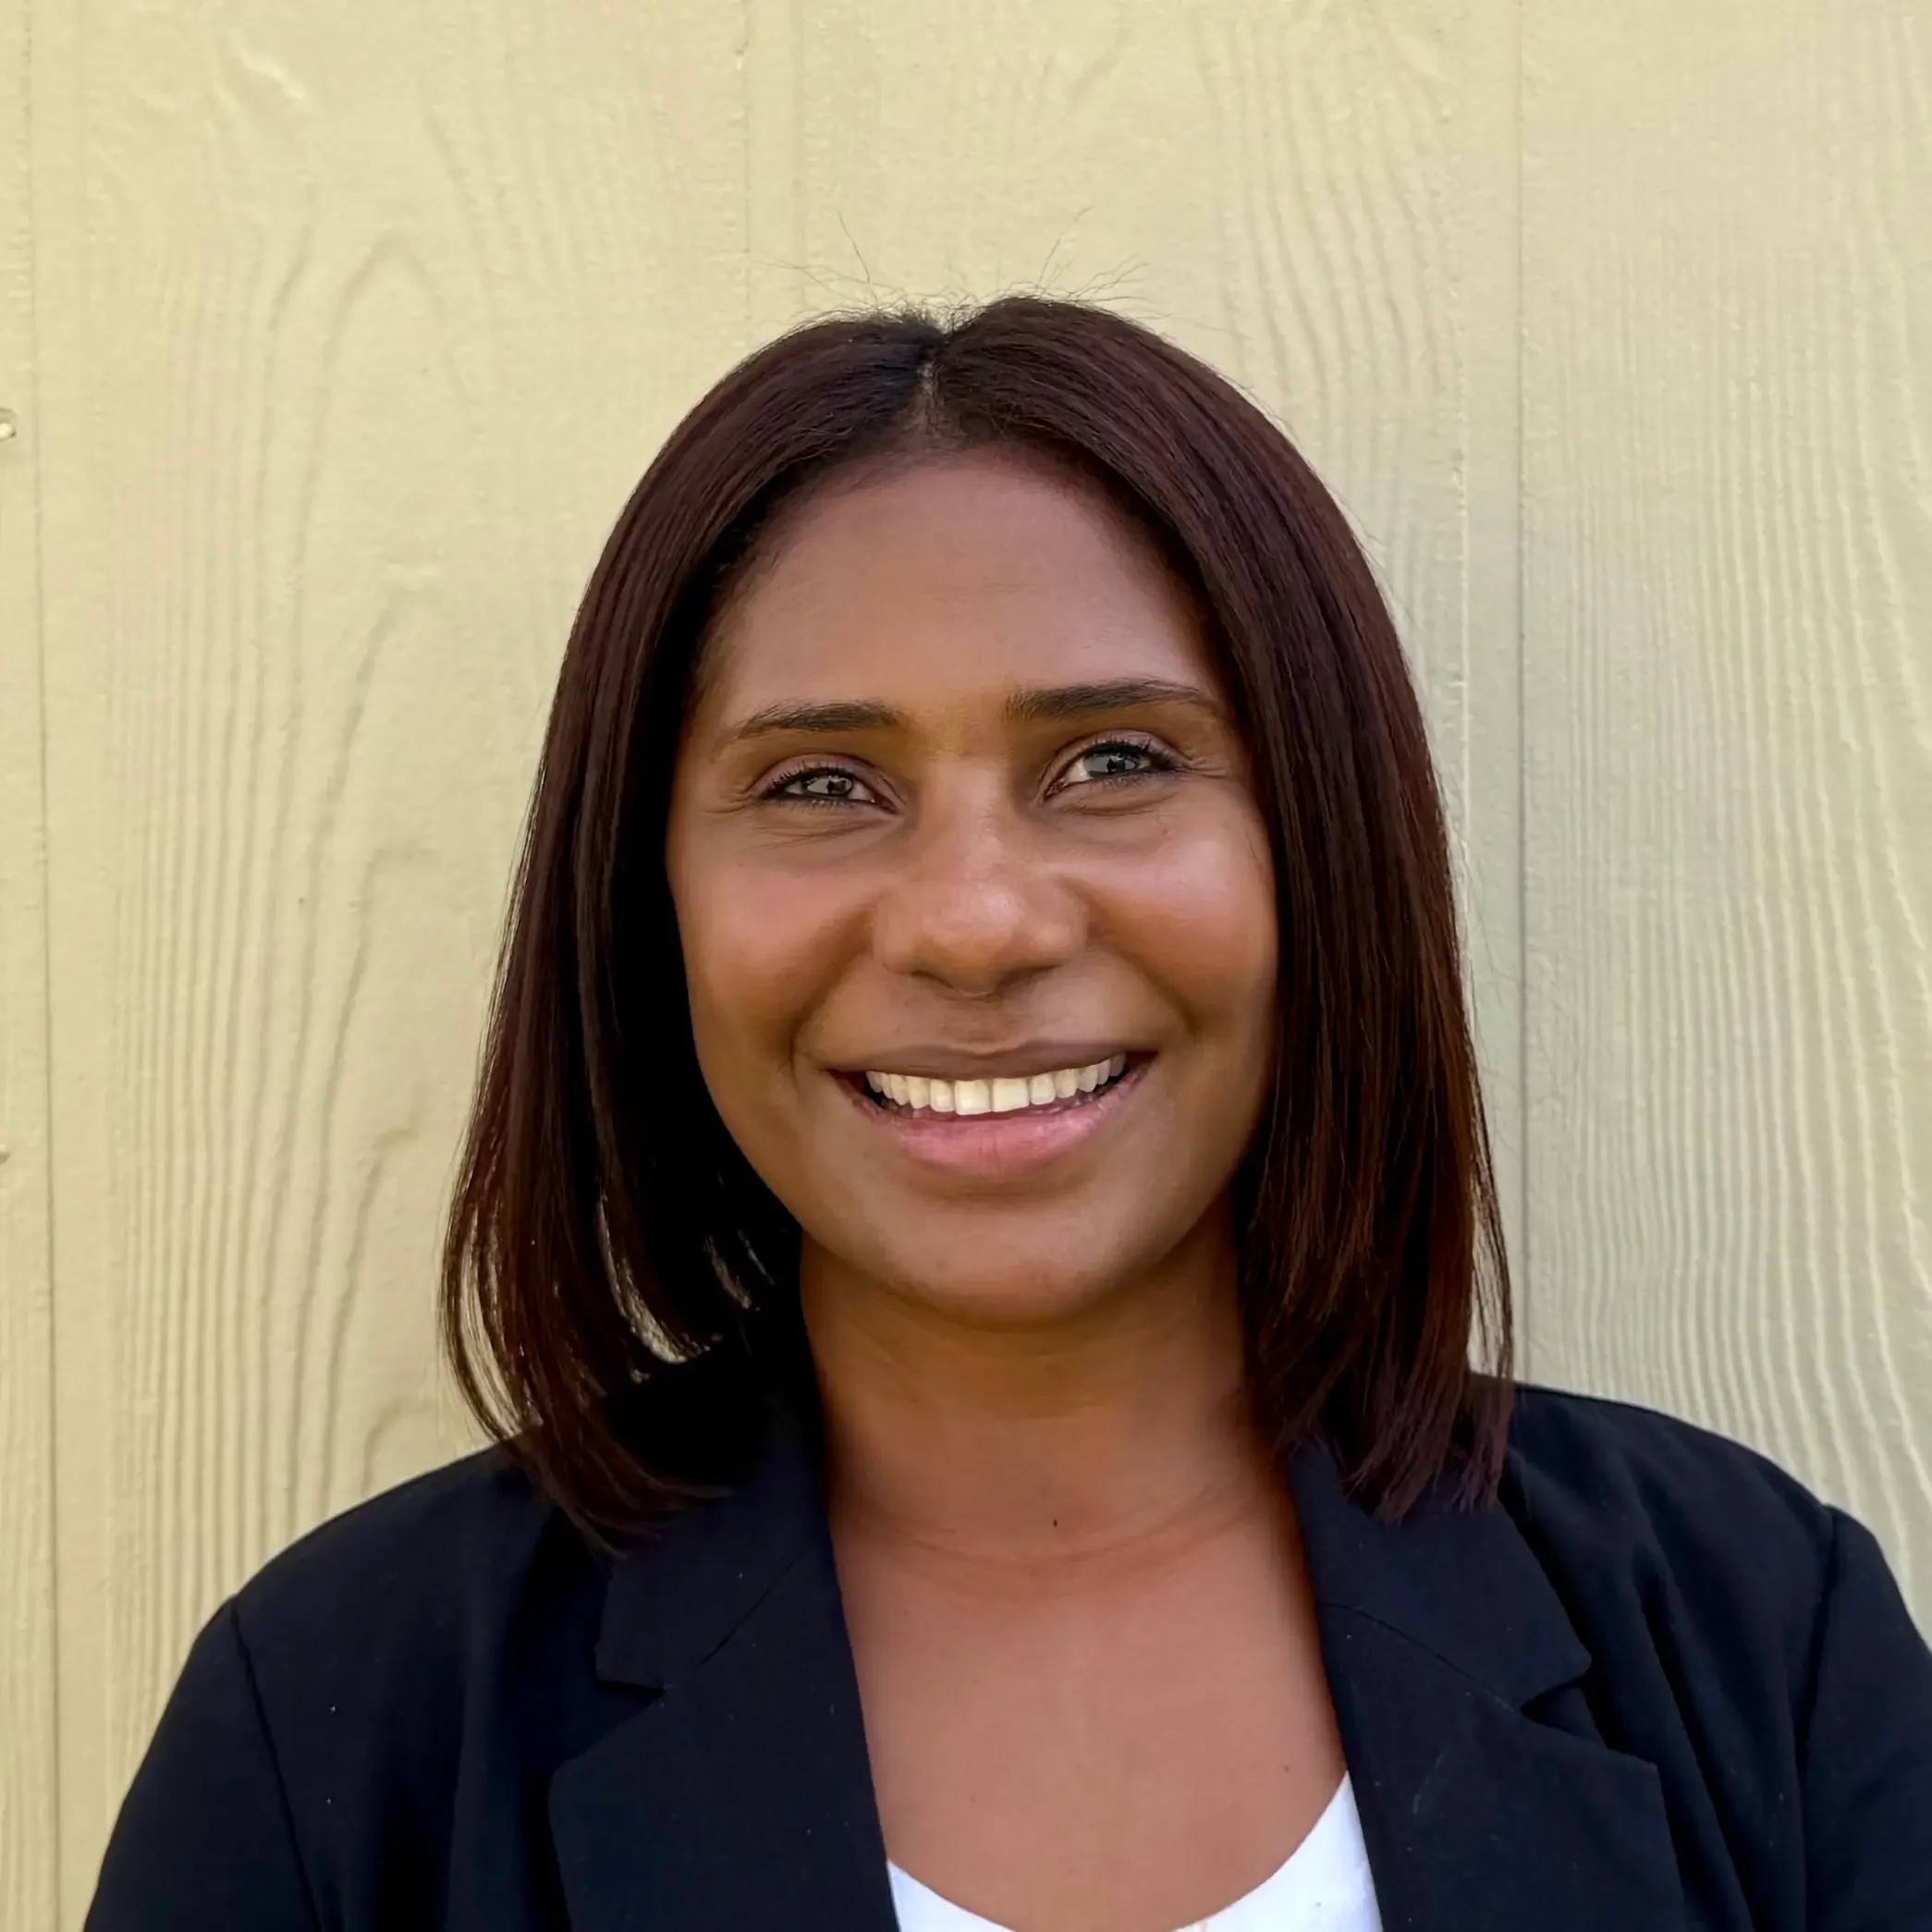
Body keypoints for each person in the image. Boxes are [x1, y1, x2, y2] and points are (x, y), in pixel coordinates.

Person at [86, 297, 1932, 1932]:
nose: (976, 921)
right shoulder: (339, 1725)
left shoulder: (1760, 1637)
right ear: (643, 897)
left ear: (1321, 849)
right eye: (821, 781)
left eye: (1115, 761)